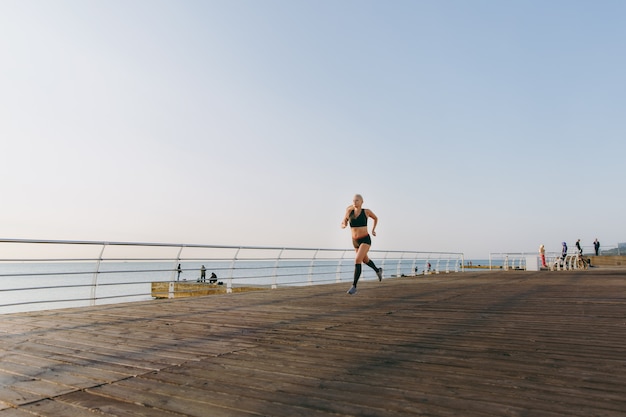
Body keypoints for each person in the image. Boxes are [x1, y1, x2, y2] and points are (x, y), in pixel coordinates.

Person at [341, 194, 383, 295]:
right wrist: (344, 224)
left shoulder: (366, 211)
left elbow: (376, 218)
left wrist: (373, 230)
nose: (355, 202)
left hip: (365, 240)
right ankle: (378, 270)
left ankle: (354, 286)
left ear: (362, 202)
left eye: (357, 200)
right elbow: (343, 222)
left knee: (357, 260)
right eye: (353, 200)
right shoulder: (349, 212)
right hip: (355, 241)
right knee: (365, 260)